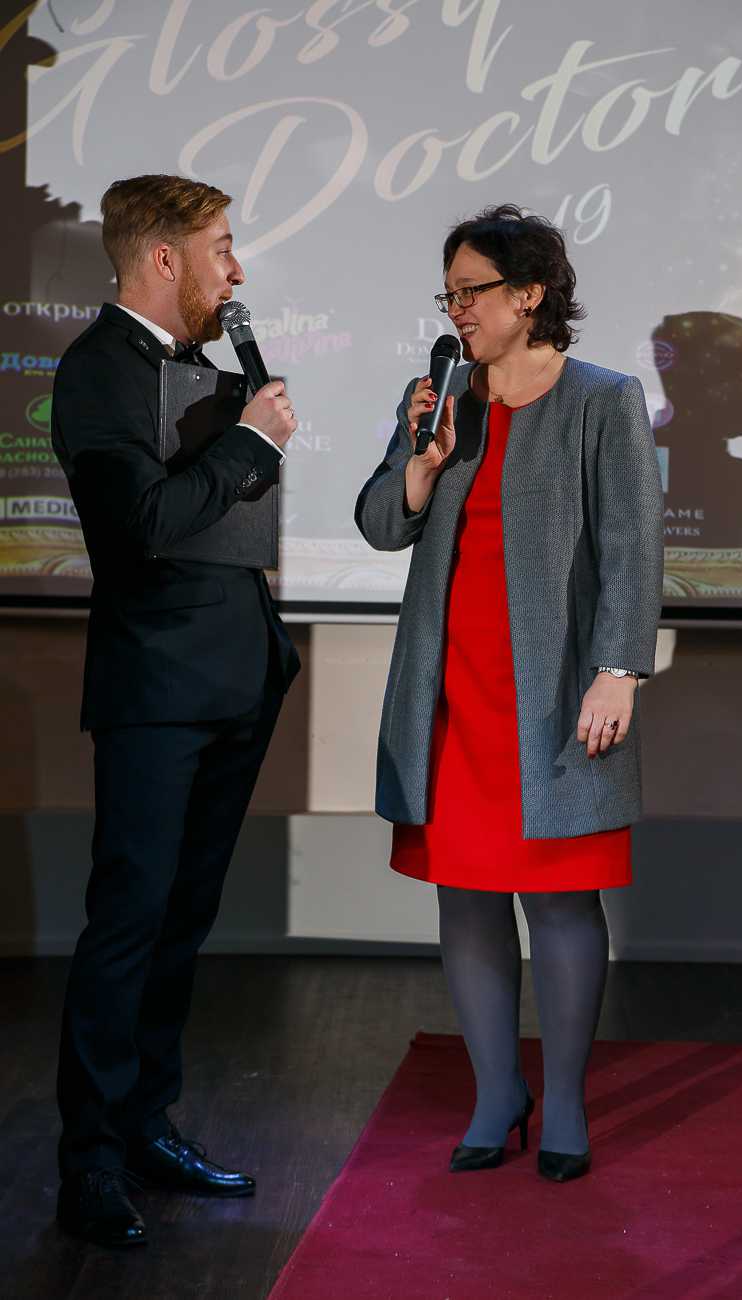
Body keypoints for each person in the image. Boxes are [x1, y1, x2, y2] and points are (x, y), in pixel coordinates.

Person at [356, 205, 663, 1183]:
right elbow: (381, 524)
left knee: (562, 899)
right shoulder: (439, 396)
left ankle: (563, 1099)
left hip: (558, 692)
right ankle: (497, 1092)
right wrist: (422, 462)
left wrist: (619, 668)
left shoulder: (602, 398)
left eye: (471, 291)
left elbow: (631, 546)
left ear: (528, 294)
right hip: (450, 692)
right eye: (447, 294)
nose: (456, 310)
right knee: (467, 896)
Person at [51, 174, 300, 1247]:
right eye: (221, 248)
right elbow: (143, 524)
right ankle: (90, 1161)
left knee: (182, 923)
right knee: (129, 924)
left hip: (238, 677)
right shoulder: (96, 369)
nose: (235, 270)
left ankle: (147, 1124)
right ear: (164, 258)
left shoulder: (206, 363)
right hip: (155, 691)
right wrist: (248, 443)